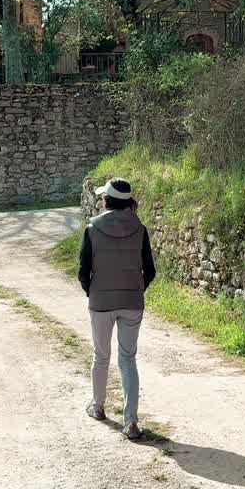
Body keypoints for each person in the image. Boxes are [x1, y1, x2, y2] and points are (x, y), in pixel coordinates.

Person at [78, 177, 156, 439]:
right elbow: (150, 271)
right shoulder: (140, 229)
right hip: (132, 302)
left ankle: (98, 407)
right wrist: (135, 289)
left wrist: (93, 292)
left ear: (106, 200)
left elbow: (83, 271)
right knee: (128, 360)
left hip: (101, 303)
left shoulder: (92, 228)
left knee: (101, 356)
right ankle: (131, 421)